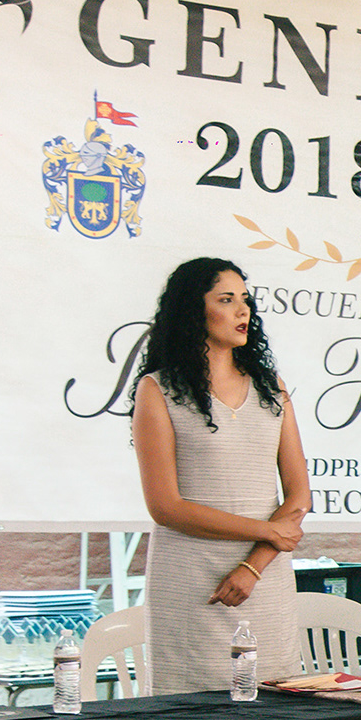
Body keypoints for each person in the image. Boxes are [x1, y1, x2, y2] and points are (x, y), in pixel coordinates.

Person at [132, 257, 309, 693]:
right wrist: (265, 530)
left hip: (264, 579)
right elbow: (165, 507)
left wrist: (253, 565)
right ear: (194, 310)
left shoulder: (272, 387)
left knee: (276, 709)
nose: (242, 310)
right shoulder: (158, 390)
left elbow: (299, 495)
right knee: (192, 716)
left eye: (245, 299)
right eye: (226, 300)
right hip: (191, 581)